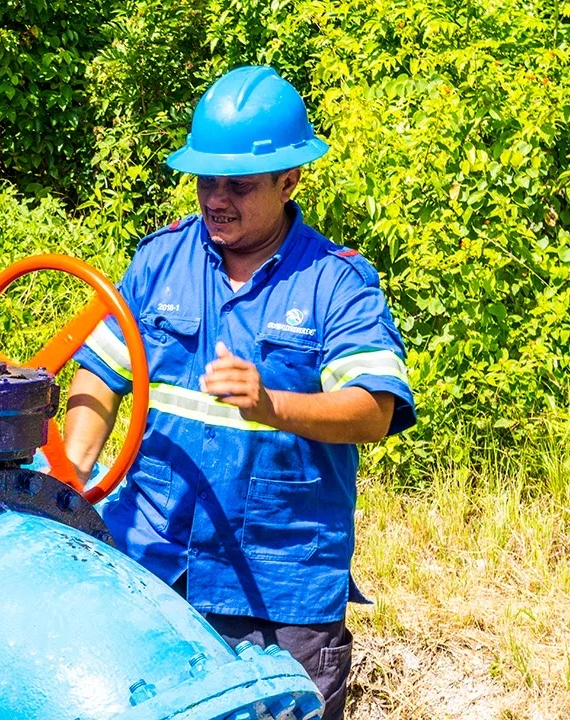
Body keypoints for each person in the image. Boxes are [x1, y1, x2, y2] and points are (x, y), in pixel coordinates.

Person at [64, 66, 416, 720]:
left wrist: (271, 405)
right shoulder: (160, 261)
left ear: (290, 181)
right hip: (151, 571)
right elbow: (101, 372)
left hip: (280, 590)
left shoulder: (336, 284)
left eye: (239, 185)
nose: (216, 199)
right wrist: (71, 473)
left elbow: (374, 410)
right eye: (205, 180)